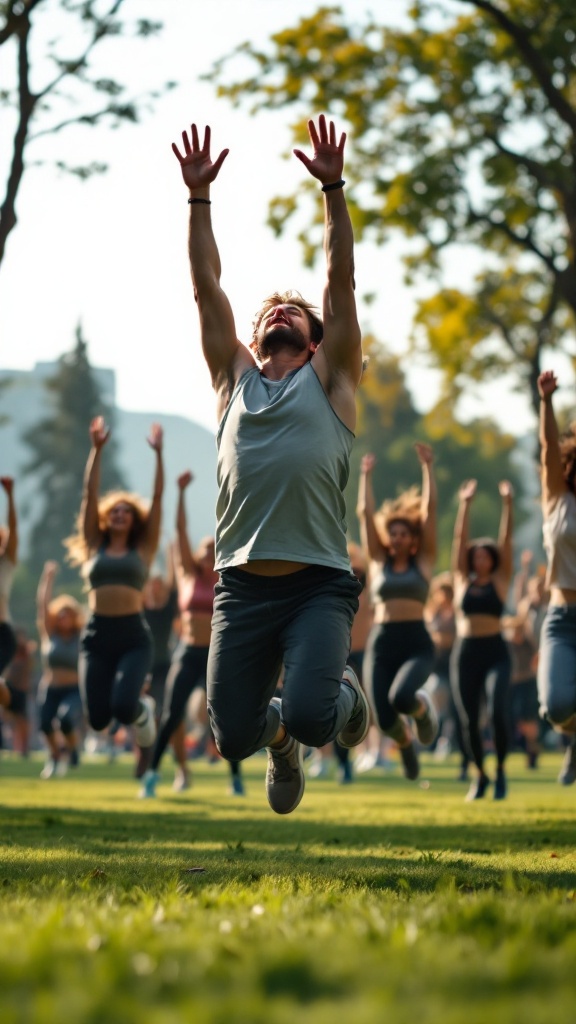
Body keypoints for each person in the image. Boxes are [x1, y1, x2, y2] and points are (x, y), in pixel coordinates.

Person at [171, 115, 370, 815]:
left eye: (296, 314)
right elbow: (205, 286)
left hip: (318, 584)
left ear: (318, 345)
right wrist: (199, 199)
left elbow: (339, 277)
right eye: (271, 312)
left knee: (319, 718)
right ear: (253, 341)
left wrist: (334, 189)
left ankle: (344, 705)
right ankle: (278, 745)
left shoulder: (332, 385)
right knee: (231, 737)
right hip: (242, 590)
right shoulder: (233, 382)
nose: (281, 313)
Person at [141, 471, 244, 797]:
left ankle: (236, 780)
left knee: (222, 719)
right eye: (203, 549)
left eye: (213, 550)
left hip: (216, 655)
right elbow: (181, 531)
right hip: (186, 653)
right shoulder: (186, 577)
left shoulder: (225, 580)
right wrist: (182, 493)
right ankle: (152, 778)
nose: (206, 553)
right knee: (170, 716)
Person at [65, 417, 164, 754]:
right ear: (107, 518)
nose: (120, 514)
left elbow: (158, 497)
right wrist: (96, 450)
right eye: (115, 511)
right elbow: (89, 494)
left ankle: (142, 709)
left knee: (124, 708)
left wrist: (159, 456)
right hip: (96, 636)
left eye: (127, 511)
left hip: (133, 636)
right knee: (98, 720)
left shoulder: (143, 549)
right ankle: (134, 710)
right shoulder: (95, 543)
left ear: (135, 518)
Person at [357, 445, 439, 781]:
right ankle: (404, 743)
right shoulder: (378, 562)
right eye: (393, 533)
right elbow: (364, 513)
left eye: (404, 533)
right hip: (383, 641)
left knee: (403, 698)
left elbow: (431, 510)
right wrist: (365, 476)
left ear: (413, 539)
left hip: (416, 641)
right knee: (385, 718)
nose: (397, 538)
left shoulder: (424, 561)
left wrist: (428, 469)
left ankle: (422, 711)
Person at [451, 479, 514, 800]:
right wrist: (465, 504)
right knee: (469, 719)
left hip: (496, 652)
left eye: (485, 556)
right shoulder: (462, 579)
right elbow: (460, 539)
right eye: (475, 556)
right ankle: (480, 774)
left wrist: (508, 505)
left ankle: (501, 771)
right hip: (466, 652)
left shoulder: (501, 580)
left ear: (493, 559)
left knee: (498, 708)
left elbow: (507, 540)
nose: (480, 561)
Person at [536, 370, 576, 784]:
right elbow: (548, 447)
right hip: (563, 620)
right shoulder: (557, 498)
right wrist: (546, 401)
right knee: (558, 707)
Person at [36, 561, 84, 779]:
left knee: (65, 719)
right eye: (61, 614)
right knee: (45, 724)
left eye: (69, 613)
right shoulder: (50, 634)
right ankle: (55, 757)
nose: (64, 617)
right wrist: (48, 578)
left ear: (75, 616)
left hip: (73, 689)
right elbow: (42, 606)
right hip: (50, 687)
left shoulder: (81, 637)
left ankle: (73, 748)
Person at [0, 477, 20, 720]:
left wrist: (11, 497)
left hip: (2, 634)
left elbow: (14, 530)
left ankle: (6, 697)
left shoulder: (6, 564)